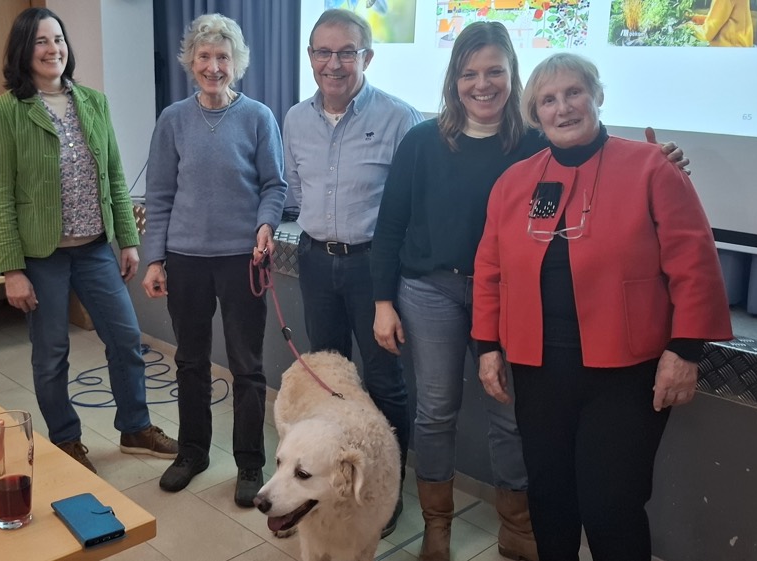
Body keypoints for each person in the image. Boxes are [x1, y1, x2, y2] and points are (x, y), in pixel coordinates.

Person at [372, 22, 691, 561]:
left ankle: (517, 528)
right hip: (432, 291)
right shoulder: (422, 140)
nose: (483, 83)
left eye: (495, 70)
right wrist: (384, 300)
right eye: (470, 72)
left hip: (513, 297)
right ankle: (438, 526)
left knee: (509, 417)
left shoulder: (537, 140)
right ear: (454, 80)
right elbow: (391, 226)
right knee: (436, 410)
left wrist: (661, 163)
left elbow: (594, 158)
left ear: (512, 76)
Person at [472, 52, 732, 561]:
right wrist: (487, 346)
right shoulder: (514, 183)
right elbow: (490, 271)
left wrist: (685, 350)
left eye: (574, 93)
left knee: (611, 505)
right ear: (535, 113)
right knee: (549, 498)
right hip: (538, 368)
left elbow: (694, 263)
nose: (563, 108)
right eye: (548, 99)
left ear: (597, 96)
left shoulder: (652, 168)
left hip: (625, 375)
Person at [0, 7, 178, 475]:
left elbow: (112, 172)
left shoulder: (92, 101)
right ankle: (67, 441)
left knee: (126, 338)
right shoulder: (4, 112)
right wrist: (11, 270)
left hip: (95, 249)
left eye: (59, 40)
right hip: (41, 256)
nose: (53, 50)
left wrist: (128, 241)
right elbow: (0, 196)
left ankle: (135, 427)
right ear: (23, 52)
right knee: (52, 354)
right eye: (41, 42)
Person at [282, 8, 422, 535]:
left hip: (375, 269)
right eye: (323, 52)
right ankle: (336, 485)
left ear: (367, 56)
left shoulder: (400, 118)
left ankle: (385, 491)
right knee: (330, 382)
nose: (333, 63)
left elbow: (412, 205)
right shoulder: (295, 118)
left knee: (385, 384)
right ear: (311, 56)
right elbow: (295, 191)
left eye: (346, 52)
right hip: (317, 261)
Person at [141, 13, 287, 503]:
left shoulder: (258, 117)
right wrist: (155, 260)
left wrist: (267, 222)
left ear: (237, 63)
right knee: (190, 361)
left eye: (222, 57)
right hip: (185, 259)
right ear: (191, 61)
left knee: (247, 366)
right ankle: (192, 452)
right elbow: (159, 195)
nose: (213, 66)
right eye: (204, 56)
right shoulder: (173, 119)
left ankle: (250, 463)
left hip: (241, 259)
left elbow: (275, 185)